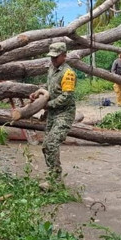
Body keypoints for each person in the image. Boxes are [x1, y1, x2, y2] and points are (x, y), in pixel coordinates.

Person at [30, 42, 76, 184]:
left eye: (56, 57)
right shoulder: (51, 68)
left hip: (64, 114)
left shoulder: (68, 73)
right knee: (45, 146)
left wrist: (46, 105)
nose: (53, 60)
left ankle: (54, 181)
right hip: (52, 114)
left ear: (64, 56)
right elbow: (49, 86)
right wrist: (38, 92)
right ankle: (52, 176)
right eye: (51, 57)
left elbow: (66, 97)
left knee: (51, 144)